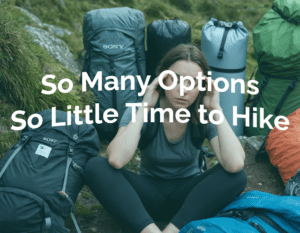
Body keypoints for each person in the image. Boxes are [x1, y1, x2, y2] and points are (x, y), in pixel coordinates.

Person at [84, 44, 247, 233]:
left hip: (190, 201)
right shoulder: (142, 110)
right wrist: (144, 107)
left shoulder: (205, 113)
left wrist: (216, 110)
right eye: (175, 80)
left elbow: (234, 164)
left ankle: (173, 229)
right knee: (96, 166)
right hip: (147, 197)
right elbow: (116, 159)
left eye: (192, 83)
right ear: (162, 78)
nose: (182, 91)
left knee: (237, 176)